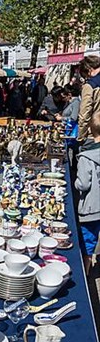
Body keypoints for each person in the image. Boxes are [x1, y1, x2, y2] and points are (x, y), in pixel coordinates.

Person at [74, 111, 100, 275]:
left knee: (88, 241)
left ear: (91, 130)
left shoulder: (86, 157)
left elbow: (82, 184)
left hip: (92, 206)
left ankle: (85, 272)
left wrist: (76, 182)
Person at [78, 55, 100, 143]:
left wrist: (81, 138)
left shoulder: (90, 85)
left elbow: (85, 114)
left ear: (89, 70)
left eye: (86, 76)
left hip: (96, 134)